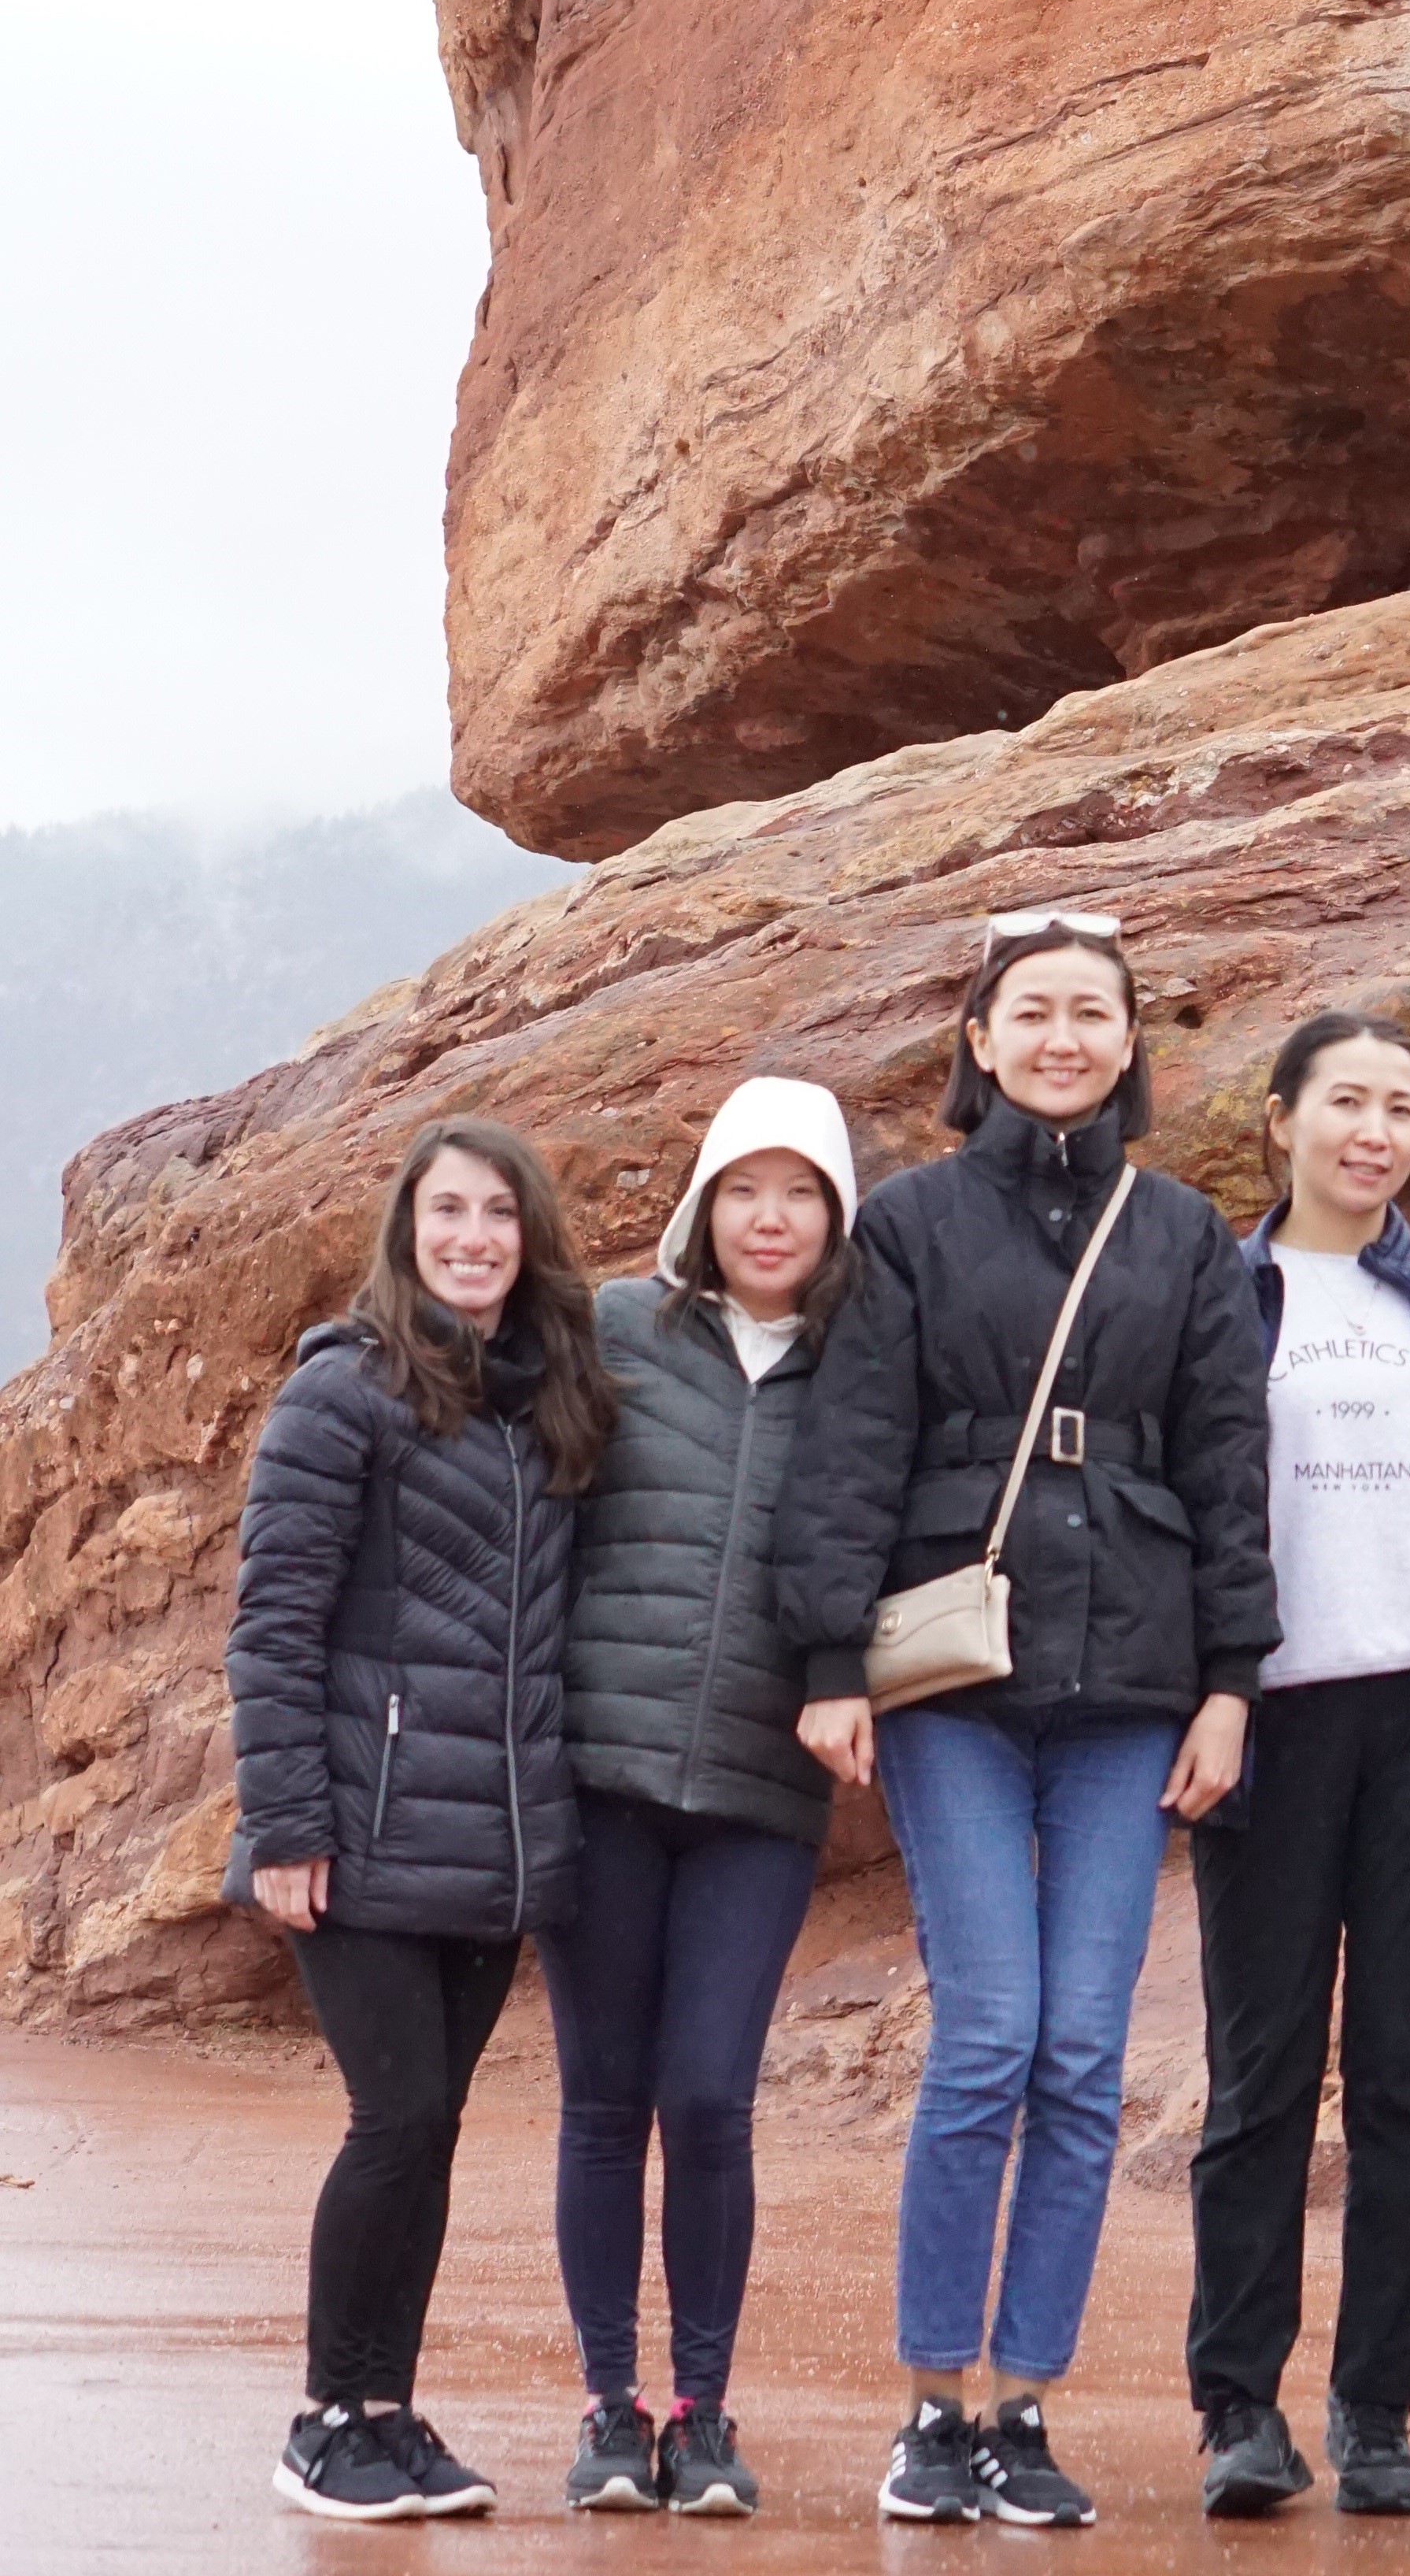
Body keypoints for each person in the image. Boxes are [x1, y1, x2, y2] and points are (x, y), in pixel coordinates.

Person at [779, 907, 1278, 2531]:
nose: (1064, 1038)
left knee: (1082, 2057)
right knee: (990, 2034)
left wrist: (1229, 1684)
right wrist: (828, 1662)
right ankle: (934, 2401)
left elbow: (1225, 1466)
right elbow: (852, 1444)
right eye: (1033, 1014)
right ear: (978, 1045)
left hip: (1135, 1682)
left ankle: (1024, 2404)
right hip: (960, 1683)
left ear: (1130, 1047)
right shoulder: (910, 1226)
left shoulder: (1185, 1234)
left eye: (1093, 1015)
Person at [226, 1111, 616, 2526]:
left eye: (499, 1215)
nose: (473, 1238)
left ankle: (387, 2412)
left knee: (435, 2128)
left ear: (531, 1240)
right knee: (393, 2118)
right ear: (408, 1232)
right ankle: (324, 2417)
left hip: (493, 1839)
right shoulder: (344, 1393)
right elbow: (274, 1622)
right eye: (447, 1213)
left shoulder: (546, 1400)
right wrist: (285, 1825)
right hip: (361, 1828)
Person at [1187, 1010, 1410, 2522]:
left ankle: (1378, 2407)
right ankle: (1238, 2405)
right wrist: (1207, 1692)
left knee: (1406, 2081)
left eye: (1398, 1106)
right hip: (1270, 1721)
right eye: (1343, 1103)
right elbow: (1188, 1502)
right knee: (1259, 2081)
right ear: (1281, 1121)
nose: (1372, 1131)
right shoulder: (1220, 1290)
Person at [547, 1072, 863, 2518]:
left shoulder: (864, 1369)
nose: (771, 1216)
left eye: (801, 1191)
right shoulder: (618, 1332)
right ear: (704, 1204)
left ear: (837, 1213)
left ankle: (705, 2412)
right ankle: (611, 2409)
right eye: (747, 1187)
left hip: (760, 1792)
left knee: (711, 2098)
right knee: (606, 2102)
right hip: (601, 1777)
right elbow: (477, 1403)